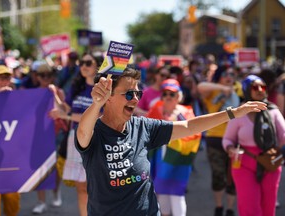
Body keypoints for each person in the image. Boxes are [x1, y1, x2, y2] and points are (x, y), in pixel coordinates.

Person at [75, 67, 267, 216]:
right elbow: (83, 132)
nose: (134, 99)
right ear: (108, 98)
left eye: (137, 94)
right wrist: (96, 103)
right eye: (128, 94)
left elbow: (188, 127)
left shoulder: (143, 127)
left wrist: (233, 113)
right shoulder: (94, 133)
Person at [222, 75, 285, 216]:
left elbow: (283, 136)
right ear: (246, 90)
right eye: (255, 87)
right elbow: (227, 139)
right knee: (250, 207)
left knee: (268, 206)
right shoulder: (238, 113)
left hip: (271, 162)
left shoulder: (273, 111)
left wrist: (280, 150)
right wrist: (230, 149)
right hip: (244, 163)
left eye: (263, 86)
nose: (260, 90)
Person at [50, 52, 103, 216]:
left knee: (96, 187)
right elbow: (66, 109)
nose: (83, 66)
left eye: (88, 63)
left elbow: (96, 116)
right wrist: (54, 95)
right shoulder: (76, 86)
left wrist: (65, 115)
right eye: (82, 63)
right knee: (81, 186)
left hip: (96, 139)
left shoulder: (103, 89)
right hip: (76, 138)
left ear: (98, 66)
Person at [147, 79, 201, 216]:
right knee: (161, 191)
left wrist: (173, 139)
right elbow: (147, 129)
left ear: (178, 96)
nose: (168, 97)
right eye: (165, 94)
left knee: (177, 193)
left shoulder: (185, 112)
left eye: (172, 94)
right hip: (159, 156)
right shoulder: (156, 110)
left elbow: (194, 134)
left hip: (178, 157)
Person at [197, 65, 240, 216]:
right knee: (218, 175)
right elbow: (200, 86)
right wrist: (222, 88)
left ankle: (229, 209)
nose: (229, 76)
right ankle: (219, 207)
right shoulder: (213, 90)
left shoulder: (239, 90)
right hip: (215, 138)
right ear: (220, 76)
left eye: (232, 74)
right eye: (226, 74)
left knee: (233, 176)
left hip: (236, 139)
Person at [31, 63, 65, 214]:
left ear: (52, 77)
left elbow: (64, 111)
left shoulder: (58, 91)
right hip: (38, 135)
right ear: (37, 77)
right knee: (40, 169)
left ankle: (56, 191)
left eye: (48, 75)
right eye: (42, 75)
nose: (45, 78)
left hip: (56, 134)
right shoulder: (31, 94)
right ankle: (41, 201)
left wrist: (55, 95)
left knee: (55, 168)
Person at [0, 64, 20, 216]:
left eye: (7, 77)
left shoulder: (18, 100)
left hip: (10, 162)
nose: (5, 81)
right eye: (0, 78)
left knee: (12, 203)